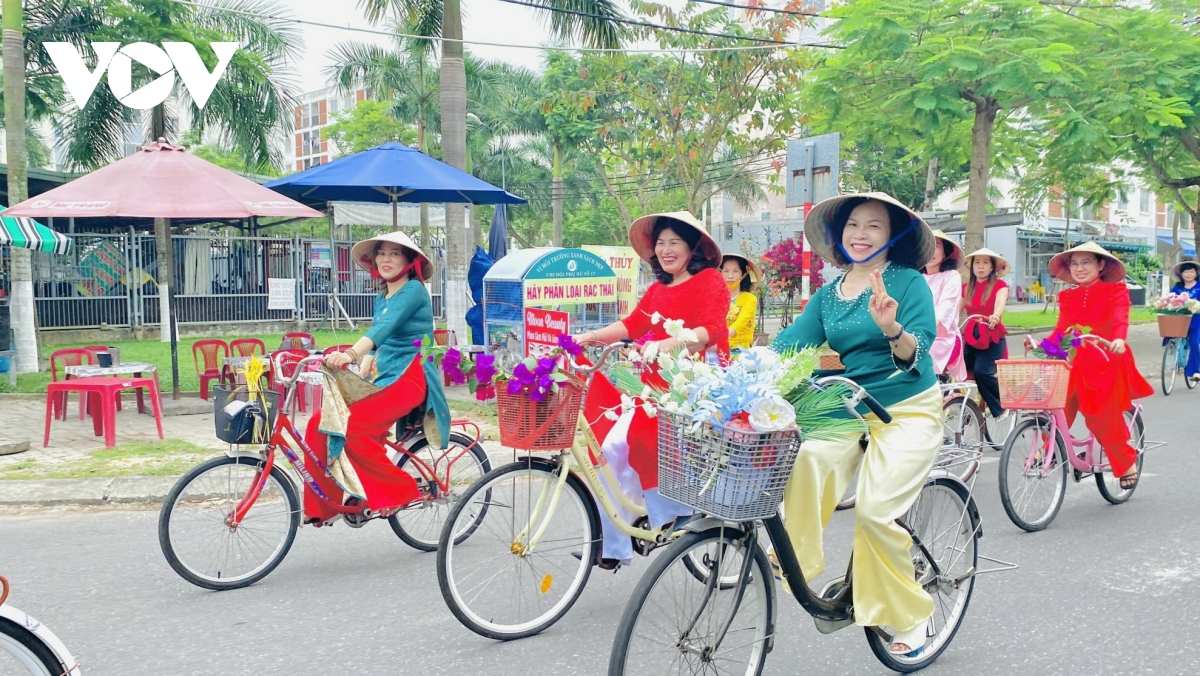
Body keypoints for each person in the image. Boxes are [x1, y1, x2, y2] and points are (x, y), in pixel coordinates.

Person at [771, 192, 941, 656]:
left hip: (907, 408)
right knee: (805, 457)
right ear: (839, 233)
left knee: (874, 511)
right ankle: (797, 561)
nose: (860, 234)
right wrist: (740, 369)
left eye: (873, 226)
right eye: (852, 225)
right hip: (850, 404)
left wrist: (891, 329)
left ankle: (910, 615)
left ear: (892, 235)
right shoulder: (829, 295)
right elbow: (791, 343)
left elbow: (918, 350)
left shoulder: (908, 282)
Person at [576, 212, 731, 568]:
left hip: (693, 383)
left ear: (693, 247)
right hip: (652, 385)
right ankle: (614, 542)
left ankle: (670, 514)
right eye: (660, 243)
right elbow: (633, 323)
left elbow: (711, 330)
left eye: (675, 242)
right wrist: (591, 336)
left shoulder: (710, 280)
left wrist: (667, 344)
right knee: (610, 449)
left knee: (630, 443)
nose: (666, 250)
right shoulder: (659, 289)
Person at [301, 231, 451, 524]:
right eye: (381, 253)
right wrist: (359, 373)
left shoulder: (414, 290)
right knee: (319, 424)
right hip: (383, 375)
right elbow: (378, 341)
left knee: (352, 428)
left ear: (409, 261)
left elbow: (383, 329)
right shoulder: (382, 297)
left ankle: (400, 490)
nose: (386, 259)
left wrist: (350, 354)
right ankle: (325, 507)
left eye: (395, 253)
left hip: (409, 377)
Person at [1047, 242, 1153, 489]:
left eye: (1086, 262)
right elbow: (1062, 330)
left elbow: (1120, 320)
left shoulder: (1116, 290)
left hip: (1107, 358)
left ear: (1101, 264)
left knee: (1101, 416)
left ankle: (1126, 463)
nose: (1079, 268)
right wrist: (1043, 348)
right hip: (1077, 360)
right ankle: (1048, 449)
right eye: (1074, 264)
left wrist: (1119, 339)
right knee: (1056, 404)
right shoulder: (1067, 296)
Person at [960, 248, 1010, 422]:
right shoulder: (966, 288)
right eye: (977, 262)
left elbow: (1000, 303)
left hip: (991, 335)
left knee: (982, 372)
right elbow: (954, 311)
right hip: (971, 336)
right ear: (972, 266)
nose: (981, 267)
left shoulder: (1000, 286)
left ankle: (1002, 404)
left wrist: (995, 315)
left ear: (992, 267)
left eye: (985, 262)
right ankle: (965, 407)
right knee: (957, 370)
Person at [923, 230, 967, 381]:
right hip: (915, 336)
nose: (930, 250)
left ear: (945, 253)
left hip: (943, 340)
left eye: (936, 246)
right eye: (926, 245)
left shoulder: (951, 276)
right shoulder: (915, 277)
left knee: (919, 356)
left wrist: (924, 331)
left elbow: (945, 308)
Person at [721, 253, 761, 351]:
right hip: (716, 349)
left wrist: (722, 335)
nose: (730, 276)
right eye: (726, 271)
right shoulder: (714, 298)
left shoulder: (750, 299)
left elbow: (742, 321)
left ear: (743, 274)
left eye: (735, 271)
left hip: (741, 351)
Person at [1169, 259, 1200, 384]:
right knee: (1171, 335)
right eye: (1186, 272)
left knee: (1194, 343)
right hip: (1180, 320)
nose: (1189, 274)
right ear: (1181, 274)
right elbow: (1170, 300)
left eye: (1191, 271)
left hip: (1196, 321)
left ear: (1196, 273)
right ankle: (1178, 357)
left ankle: (1195, 371)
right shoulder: (1177, 287)